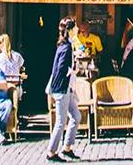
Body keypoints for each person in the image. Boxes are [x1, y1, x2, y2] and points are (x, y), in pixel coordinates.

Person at [46, 16, 81, 162]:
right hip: (61, 88)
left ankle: (67, 147)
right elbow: (61, 68)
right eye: (76, 27)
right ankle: (51, 152)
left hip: (66, 88)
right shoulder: (66, 47)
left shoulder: (66, 45)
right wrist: (73, 69)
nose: (78, 29)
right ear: (71, 29)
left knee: (76, 116)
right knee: (60, 122)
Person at [0, 34, 26, 98]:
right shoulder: (18, 56)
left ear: (0, 44)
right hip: (17, 88)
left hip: (2, 88)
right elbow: (20, 70)